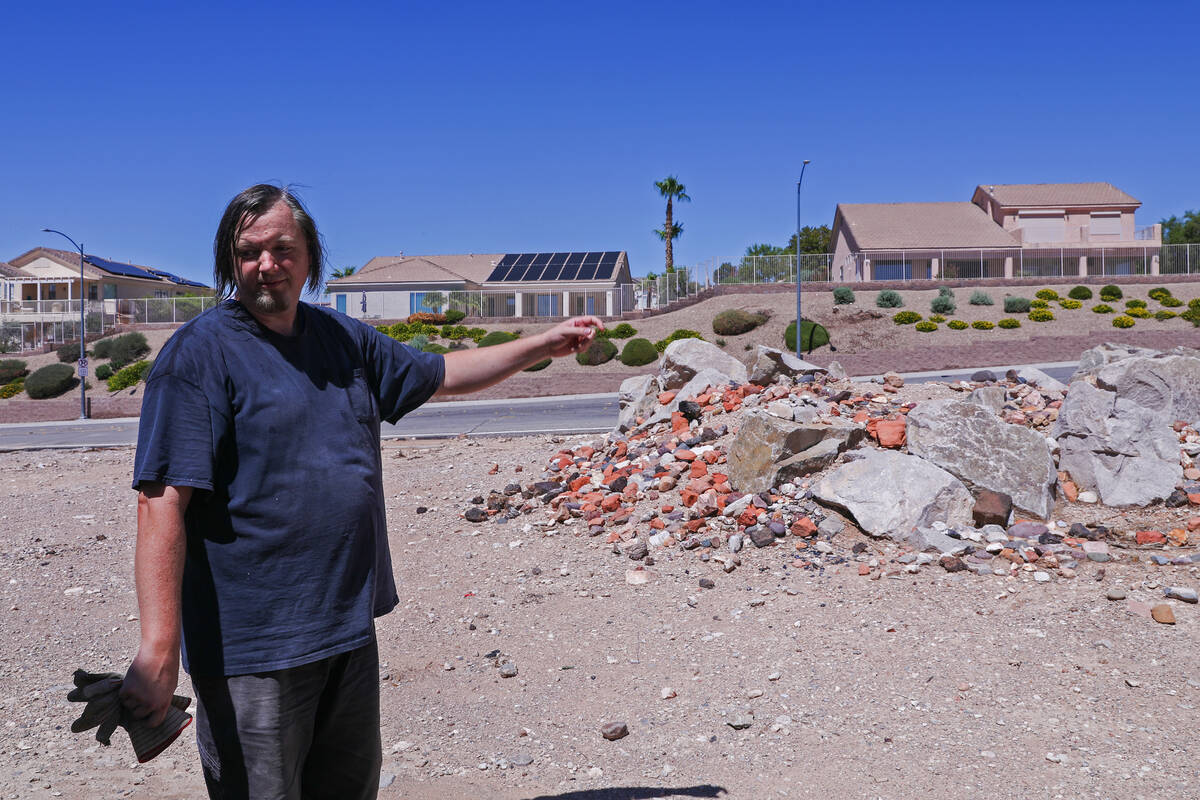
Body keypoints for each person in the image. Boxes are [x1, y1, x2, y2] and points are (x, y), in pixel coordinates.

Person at [118, 184, 601, 799]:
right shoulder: (198, 356)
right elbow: (160, 504)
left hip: (344, 629)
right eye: (249, 252)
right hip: (253, 649)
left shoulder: (342, 339)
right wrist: (158, 650)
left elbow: (443, 373)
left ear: (312, 259)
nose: (267, 264)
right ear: (229, 261)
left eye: (283, 249)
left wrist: (542, 344)